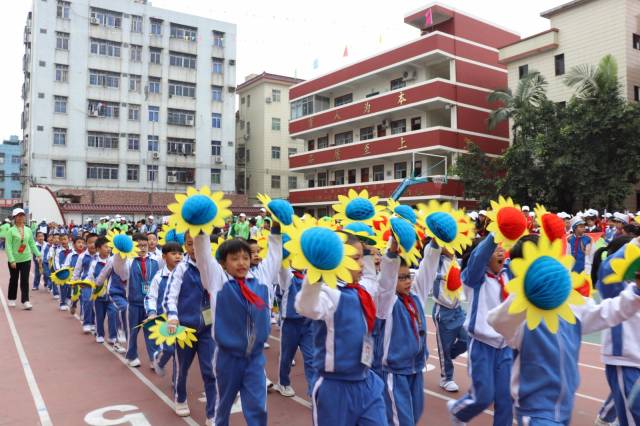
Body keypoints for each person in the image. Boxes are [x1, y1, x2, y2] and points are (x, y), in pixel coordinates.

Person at [487, 235, 640, 425]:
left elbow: (607, 312)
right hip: (534, 409)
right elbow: (496, 321)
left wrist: (635, 292)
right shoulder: (520, 315)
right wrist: (526, 294)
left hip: (564, 405)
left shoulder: (573, 306)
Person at [193, 222, 283, 426]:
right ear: (223, 263)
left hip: (255, 359)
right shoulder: (217, 281)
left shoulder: (261, 278)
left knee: (258, 406)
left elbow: (275, 257)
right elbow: (204, 257)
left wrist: (276, 230)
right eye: (234, 259)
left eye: (245, 257)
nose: (241, 263)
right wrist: (200, 231)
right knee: (223, 405)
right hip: (227, 359)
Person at [295, 234, 387, 426]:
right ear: (338, 260)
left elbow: (375, 278)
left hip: (367, 382)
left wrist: (390, 252)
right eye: (355, 258)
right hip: (335, 387)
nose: (361, 263)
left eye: (363, 257)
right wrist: (316, 273)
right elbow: (306, 307)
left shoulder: (361, 290)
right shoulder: (329, 293)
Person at [448, 233, 513, 426]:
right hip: (482, 345)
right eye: (495, 249)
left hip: (505, 346)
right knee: (483, 397)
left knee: (506, 399)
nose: (500, 250)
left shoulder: (507, 274)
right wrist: (497, 231)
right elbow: (478, 258)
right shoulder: (475, 278)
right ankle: (458, 412)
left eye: (502, 247)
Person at [164, 232, 217, 421]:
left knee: (211, 371)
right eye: (189, 244)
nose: (194, 248)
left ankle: (212, 414)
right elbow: (170, 295)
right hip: (185, 329)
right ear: (185, 246)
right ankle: (180, 398)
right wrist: (172, 316)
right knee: (182, 367)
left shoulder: (213, 267)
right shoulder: (181, 269)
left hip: (208, 329)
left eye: (198, 244)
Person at [376, 238, 428, 425]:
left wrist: (436, 245)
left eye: (408, 277)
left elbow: (427, 270)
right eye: (401, 277)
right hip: (395, 372)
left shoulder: (415, 298)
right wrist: (391, 254)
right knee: (402, 421)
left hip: (415, 369)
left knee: (414, 416)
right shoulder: (387, 303)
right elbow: (385, 284)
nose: (407, 281)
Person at [422, 240, 468, 392]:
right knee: (444, 347)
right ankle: (446, 378)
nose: (451, 246)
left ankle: (450, 355)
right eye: (447, 243)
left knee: (467, 338)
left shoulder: (456, 260)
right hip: (443, 311)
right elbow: (429, 254)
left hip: (457, 309)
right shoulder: (435, 261)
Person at [112, 233, 160, 367]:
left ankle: (154, 358)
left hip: (150, 304)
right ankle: (131, 356)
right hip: (133, 303)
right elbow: (120, 271)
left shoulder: (156, 260)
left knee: (151, 331)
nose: (142, 248)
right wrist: (120, 253)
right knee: (132, 331)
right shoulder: (128, 261)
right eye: (138, 246)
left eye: (144, 245)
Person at [145, 241, 182, 377]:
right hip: (164, 320)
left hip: (181, 319)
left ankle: (176, 380)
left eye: (180, 254)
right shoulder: (158, 277)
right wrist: (152, 312)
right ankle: (159, 361)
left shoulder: (185, 275)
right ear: (164, 257)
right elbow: (151, 297)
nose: (178, 256)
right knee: (169, 349)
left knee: (180, 353)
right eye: (173, 254)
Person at [5, 208, 42, 310]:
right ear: (14, 218)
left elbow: (31, 243)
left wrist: (38, 254)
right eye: (18, 216)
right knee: (14, 279)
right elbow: (8, 246)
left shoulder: (28, 230)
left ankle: (25, 300)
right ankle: (11, 298)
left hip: (26, 259)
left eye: (22, 215)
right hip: (14, 260)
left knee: (25, 280)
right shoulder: (10, 231)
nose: (20, 217)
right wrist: (12, 260)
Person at [72, 233, 98, 333]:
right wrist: (74, 283)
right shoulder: (82, 256)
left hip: (98, 284)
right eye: (90, 242)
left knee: (95, 304)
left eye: (95, 242)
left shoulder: (101, 256)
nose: (93, 245)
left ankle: (93, 322)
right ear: (86, 244)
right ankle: (87, 323)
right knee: (87, 301)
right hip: (86, 283)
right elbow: (77, 271)